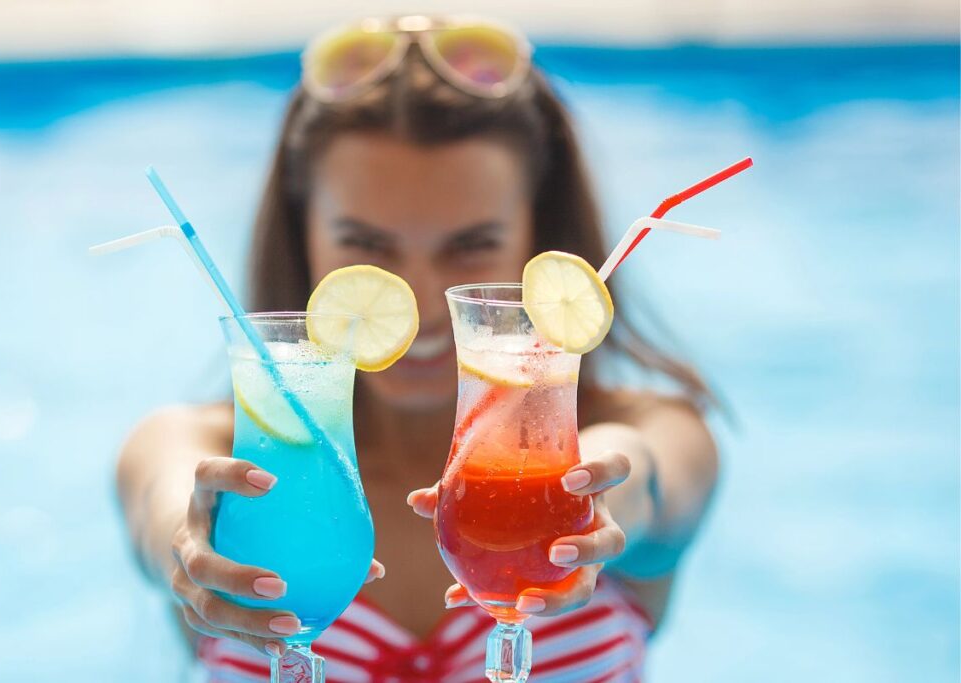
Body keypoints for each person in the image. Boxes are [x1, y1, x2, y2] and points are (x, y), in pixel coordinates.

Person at [116, 16, 718, 682]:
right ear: (303, 233)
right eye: (368, 246)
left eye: (470, 244)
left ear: (538, 232)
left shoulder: (655, 428)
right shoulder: (202, 447)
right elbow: (164, 500)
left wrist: (601, 494)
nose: (423, 300)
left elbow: (655, 480)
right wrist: (191, 537)